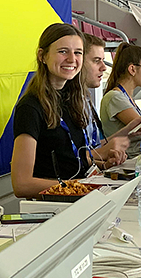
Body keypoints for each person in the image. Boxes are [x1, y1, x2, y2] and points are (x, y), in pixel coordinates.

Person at [11, 23, 126, 199]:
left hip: (82, 201)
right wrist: (80, 187)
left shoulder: (73, 99)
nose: (72, 59)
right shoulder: (30, 107)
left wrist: (102, 163)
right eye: (63, 51)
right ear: (42, 56)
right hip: (55, 209)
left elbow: (69, 162)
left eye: (78, 52)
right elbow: (22, 184)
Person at [83, 33, 135, 168]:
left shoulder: (86, 100)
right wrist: (103, 154)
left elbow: (89, 151)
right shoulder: (114, 97)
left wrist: (105, 164)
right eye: (96, 60)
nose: (104, 67)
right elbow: (72, 158)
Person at [100, 42, 141, 156]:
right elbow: (139, 128)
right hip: (127, 159)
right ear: (132, 69)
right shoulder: (115, 97)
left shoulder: (126, 97)